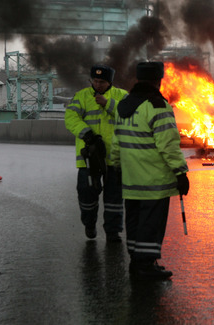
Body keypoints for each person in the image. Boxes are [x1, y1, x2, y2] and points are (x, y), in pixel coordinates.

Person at [113, 61, 189, 279]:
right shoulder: (157, 105)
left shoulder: (124, 105)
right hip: (154, 181)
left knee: (135, 222)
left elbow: (116, 141)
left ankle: (137, 262)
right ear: (159, 80)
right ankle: (145, 267)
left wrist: (116, 165)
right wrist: (180, 172)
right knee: (151, 224)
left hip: (131, 180)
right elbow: (168, 145)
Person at [65, 64, 128, 242]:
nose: (98, 84)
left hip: (115, 158)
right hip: (89, 158)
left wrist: (109, 104)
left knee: (114, 199)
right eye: (95, 80)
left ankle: (113, 232)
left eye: (102, 82)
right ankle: (89, 223)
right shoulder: (81, 96)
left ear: (110, 82)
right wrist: (87, 134)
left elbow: (130, 116)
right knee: (86, 193)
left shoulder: (121, 96)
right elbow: (70, 118)